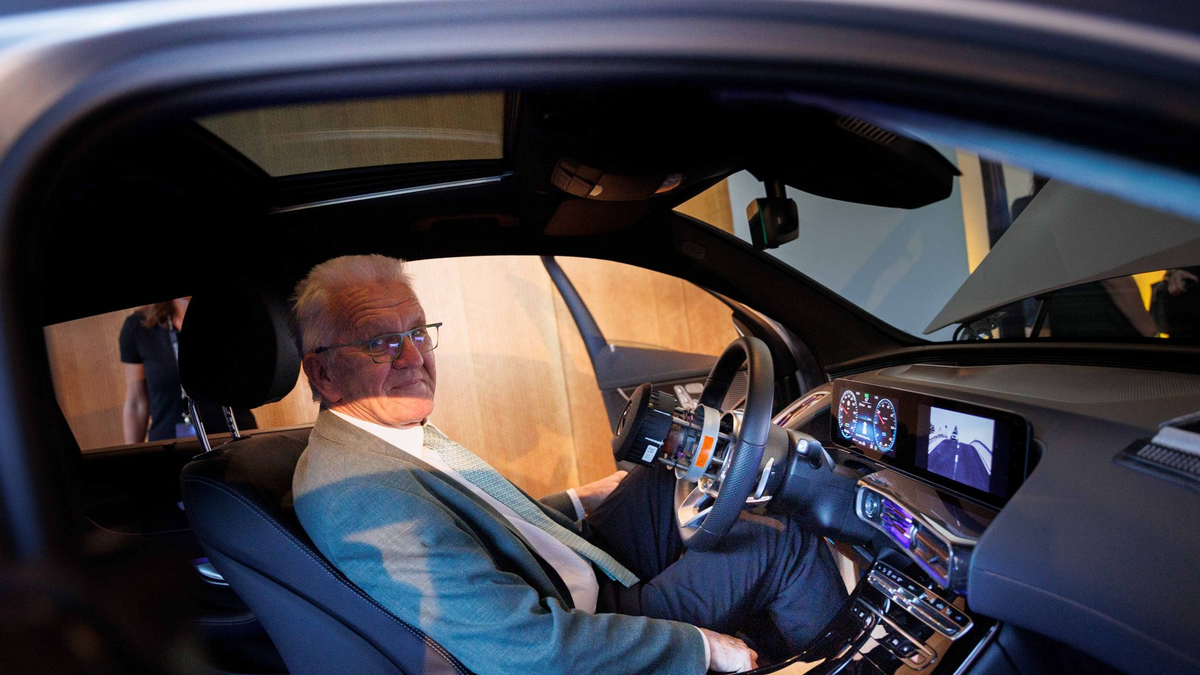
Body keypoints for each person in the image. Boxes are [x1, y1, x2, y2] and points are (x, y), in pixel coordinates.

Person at [290, 255, 846, 674]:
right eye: (382, 344)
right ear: (323, 375)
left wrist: (584, 497)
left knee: (668, 470)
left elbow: (480, 523)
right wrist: (699, 647)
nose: (413, 359)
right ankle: (849, 655)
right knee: (780, 540)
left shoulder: (376, 433)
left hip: (582, 560)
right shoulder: (358, 494)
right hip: (585, 618)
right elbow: (520, 650)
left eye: (417, 334)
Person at [120, 298, 257, 443]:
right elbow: (136, 402)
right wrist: (132, 460)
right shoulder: (137, 326)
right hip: (171, 445)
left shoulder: (231, 314)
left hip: (235, 439)